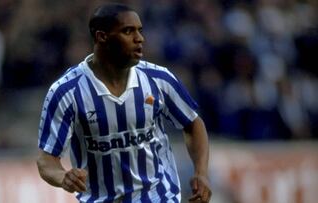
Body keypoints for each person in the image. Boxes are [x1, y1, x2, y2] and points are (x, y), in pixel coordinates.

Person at [37, 3, 211, 203]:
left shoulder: (158, 79)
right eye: (128, 31)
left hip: (158, 196)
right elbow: (46, 160)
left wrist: (201, 173)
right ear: (102, 37)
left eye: (140, 30)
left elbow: (193, 123)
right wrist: (63, 177)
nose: (140, 38)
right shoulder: (67, 92)